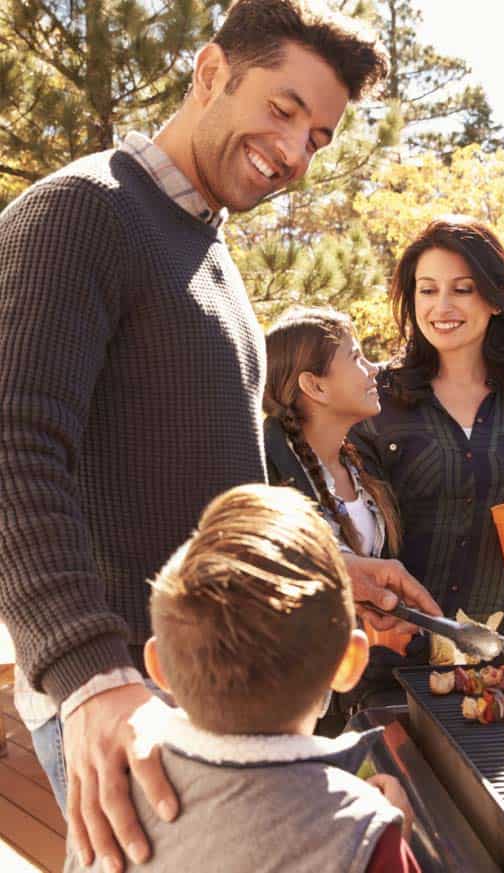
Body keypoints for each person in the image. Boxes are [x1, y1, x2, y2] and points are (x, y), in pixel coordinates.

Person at [0, 3, 434, 870]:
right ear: (209, 73)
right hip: (124, 691)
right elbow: (13, 445)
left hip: (204, 691)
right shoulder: (80, 213)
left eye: (318, 136)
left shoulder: (207, 254)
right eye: (282, 108)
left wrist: (324, 571)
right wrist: (87, 671)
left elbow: (190, 490)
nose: (295, 151)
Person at [63, 483, 422, 873]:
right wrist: (386, 841)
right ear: (350, 662)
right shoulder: (360, 831)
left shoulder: (107, 804)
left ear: (158, 667)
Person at [351, 216, 504, 620]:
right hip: (396, 650)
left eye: (462, 290)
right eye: (428, 290)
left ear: (494, 299)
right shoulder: (374, 398)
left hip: (500, 659)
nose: (442, 307)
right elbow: (339, 524)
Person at [264, 307, 438, 722]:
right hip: (290, 702)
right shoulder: (264, 472)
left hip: (357, 691)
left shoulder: (362, 466)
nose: (373, 368)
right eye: (356, 358)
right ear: (315, 385)